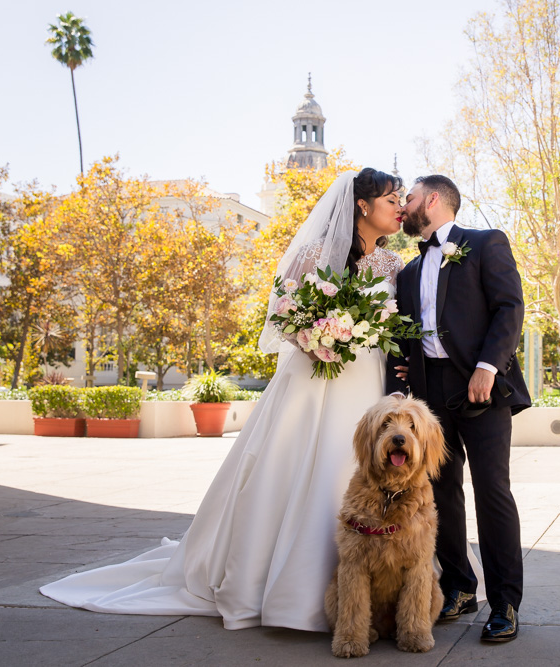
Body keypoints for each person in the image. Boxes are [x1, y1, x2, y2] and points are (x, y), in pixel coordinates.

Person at [41, 168, 415, 631]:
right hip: (312, 379)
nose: (400, 205)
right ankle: (283, 585)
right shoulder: (315, 254)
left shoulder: (394, 267)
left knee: (354, 470)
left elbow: (400, 330)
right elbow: (283, 315)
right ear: (363, 205)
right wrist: (318, 336)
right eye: (392, 198)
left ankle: (366, 588)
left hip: (365, 382)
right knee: (292, 468)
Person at [386, 174, 530, 643]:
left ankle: (505, 601)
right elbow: (404, 337)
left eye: (407, 198)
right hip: (430, 398)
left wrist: (489, 366)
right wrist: (404, 376)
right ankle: (459, 586)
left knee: (492, 491)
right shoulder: (407, 273)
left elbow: (510, 308)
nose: (402, 206)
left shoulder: (486, 243)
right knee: (441, 493)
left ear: (432, 200)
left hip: (482, 387)